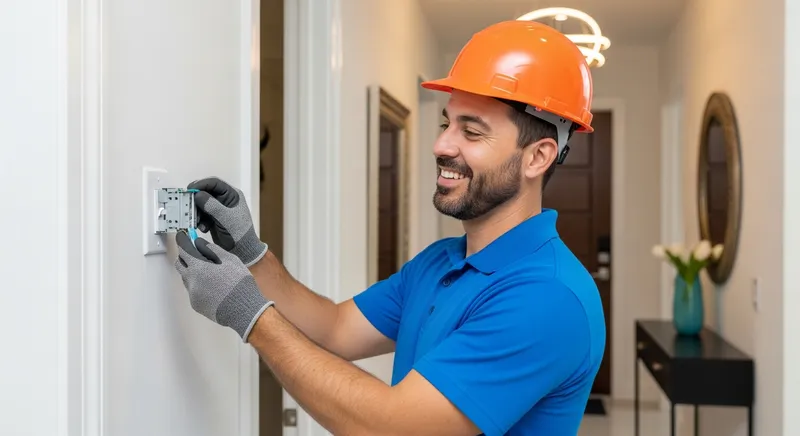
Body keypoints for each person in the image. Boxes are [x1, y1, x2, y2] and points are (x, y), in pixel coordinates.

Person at [173, 20, 605, 436]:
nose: (441, 145)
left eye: (471, 132)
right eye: (446, 124)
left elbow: (391, 427)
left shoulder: (547, 296)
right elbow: (335, 328)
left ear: (537, 157)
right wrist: (253, 254)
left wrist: (250, 317)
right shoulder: (441, 261)